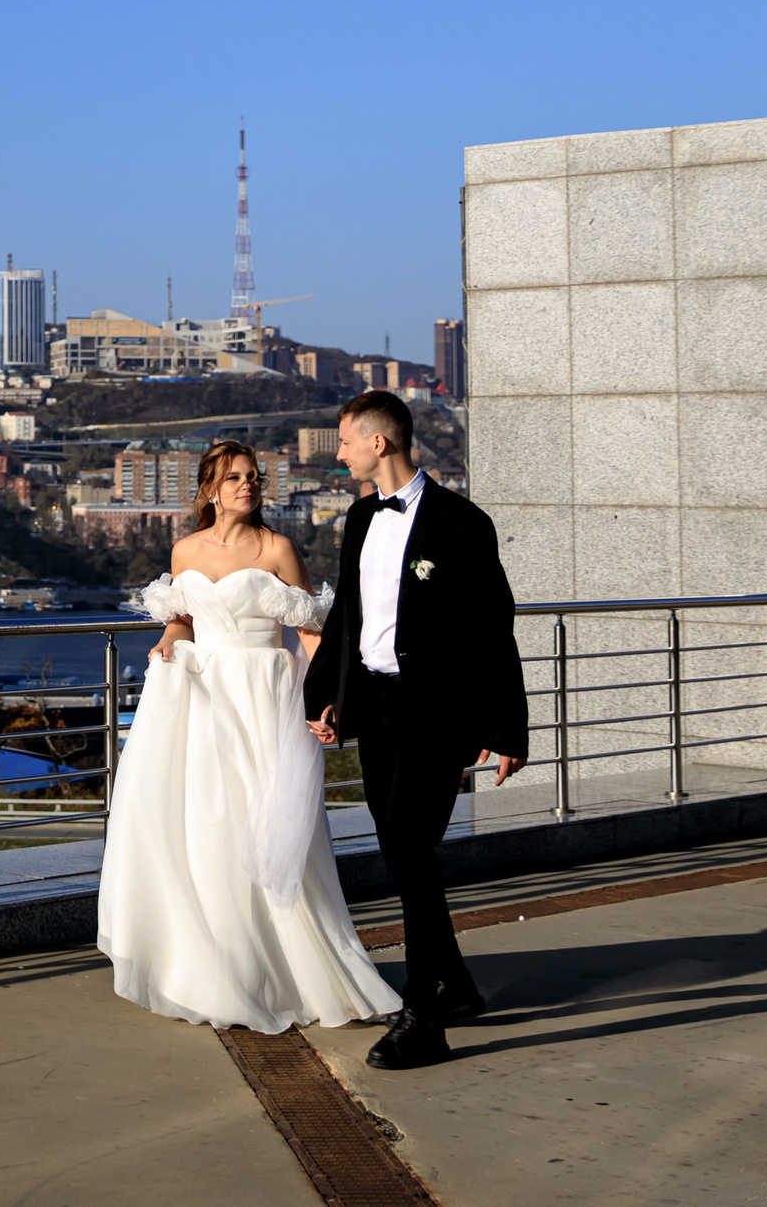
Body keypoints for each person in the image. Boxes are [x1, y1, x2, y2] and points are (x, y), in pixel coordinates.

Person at [97, 439, 402, 1034]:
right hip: (204, 697)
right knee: (208, 824)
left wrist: (330, 697)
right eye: (234, 477)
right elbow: (183, 616)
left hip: (265, 697)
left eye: (253, 477)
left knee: (268, 823)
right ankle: (223, 968)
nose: (247, 485)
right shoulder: (185, 547)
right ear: (210, 488)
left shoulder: (278, 548)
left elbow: (312, 631)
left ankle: (288, 970)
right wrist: (167, 642)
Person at [303, 389, 530, 1070]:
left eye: (344, 440)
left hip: (437, 712)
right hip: (375, 709)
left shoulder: (462, 524)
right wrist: (328, 699)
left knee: (406, 843)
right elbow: (349, 619)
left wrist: (507, 729)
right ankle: (452, 984)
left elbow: (494, 629)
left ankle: (424, 1015)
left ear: (380, 443)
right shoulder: (360, 516)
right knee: (406, 851)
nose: (337, 452)